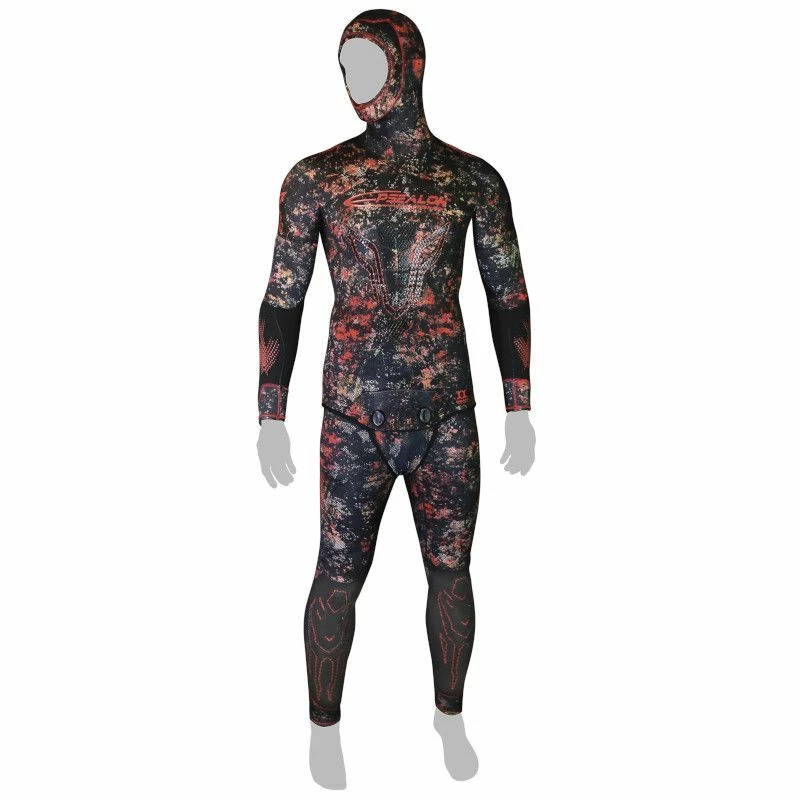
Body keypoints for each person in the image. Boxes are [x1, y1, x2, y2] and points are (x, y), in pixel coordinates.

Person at [257, 9, 535, 786]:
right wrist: (270, 412)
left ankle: (450, 715)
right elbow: (282, 298)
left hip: (446, 413)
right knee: (336, 573)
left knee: (451, 570)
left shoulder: (473, 181)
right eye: (345, 65)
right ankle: (323, 729)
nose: (354, 80)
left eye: (369, 62)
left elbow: (508, 294)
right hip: (352, 417)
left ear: (408, 65)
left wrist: (519, 403)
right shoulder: (314, 180)